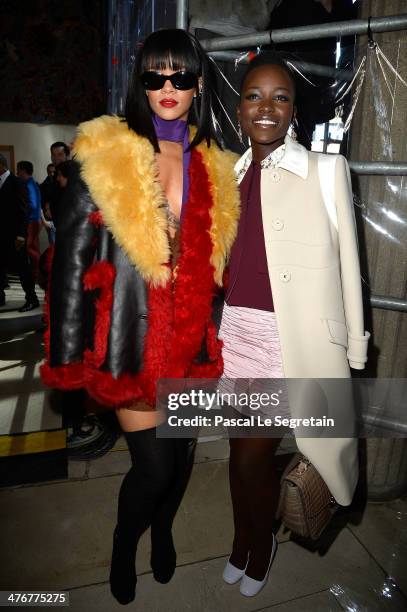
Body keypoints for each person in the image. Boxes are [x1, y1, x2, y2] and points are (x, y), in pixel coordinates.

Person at [40, 28, 239, 605]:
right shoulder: (106, 155)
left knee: (178, 464)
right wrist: (68, 358)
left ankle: (165, 530)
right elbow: (69, 264)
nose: (169, 87)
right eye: (156, 76)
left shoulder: (214, 165)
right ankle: (126, 541)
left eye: (181, 76)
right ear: (141, 83)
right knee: (152, 469)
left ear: (199, 84)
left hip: (191, 343)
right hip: (129, 338)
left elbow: (219, 262)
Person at [219, 52, 370, 597]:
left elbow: (350, 264)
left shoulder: (326, 171)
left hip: (290, 343)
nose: (266, 107)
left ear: (293, 110)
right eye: (254, 96)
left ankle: (259, 548)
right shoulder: (227, 176)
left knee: (248, 456)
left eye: (280, 97)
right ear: (239, 109)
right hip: (235, 333)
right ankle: (244, 542)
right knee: (240, 459)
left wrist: (355, 348)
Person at [0, 154, 39, 311]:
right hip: (1, 235)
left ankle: (32, 299)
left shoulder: (17, 182)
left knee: (22, 268)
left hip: (15, 236)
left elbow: (24, 210)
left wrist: (22, 234)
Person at [16, 161, 42, 285]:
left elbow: (33, 204)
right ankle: (36, 274)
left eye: (18, 170)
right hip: (34, 220)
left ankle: (38, 274)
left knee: (29, 248)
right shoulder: (32, 183)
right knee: (32, 248)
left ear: (23, 171)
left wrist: (20, 212)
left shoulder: (29, 184)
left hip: (31, 221)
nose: (17, 172)